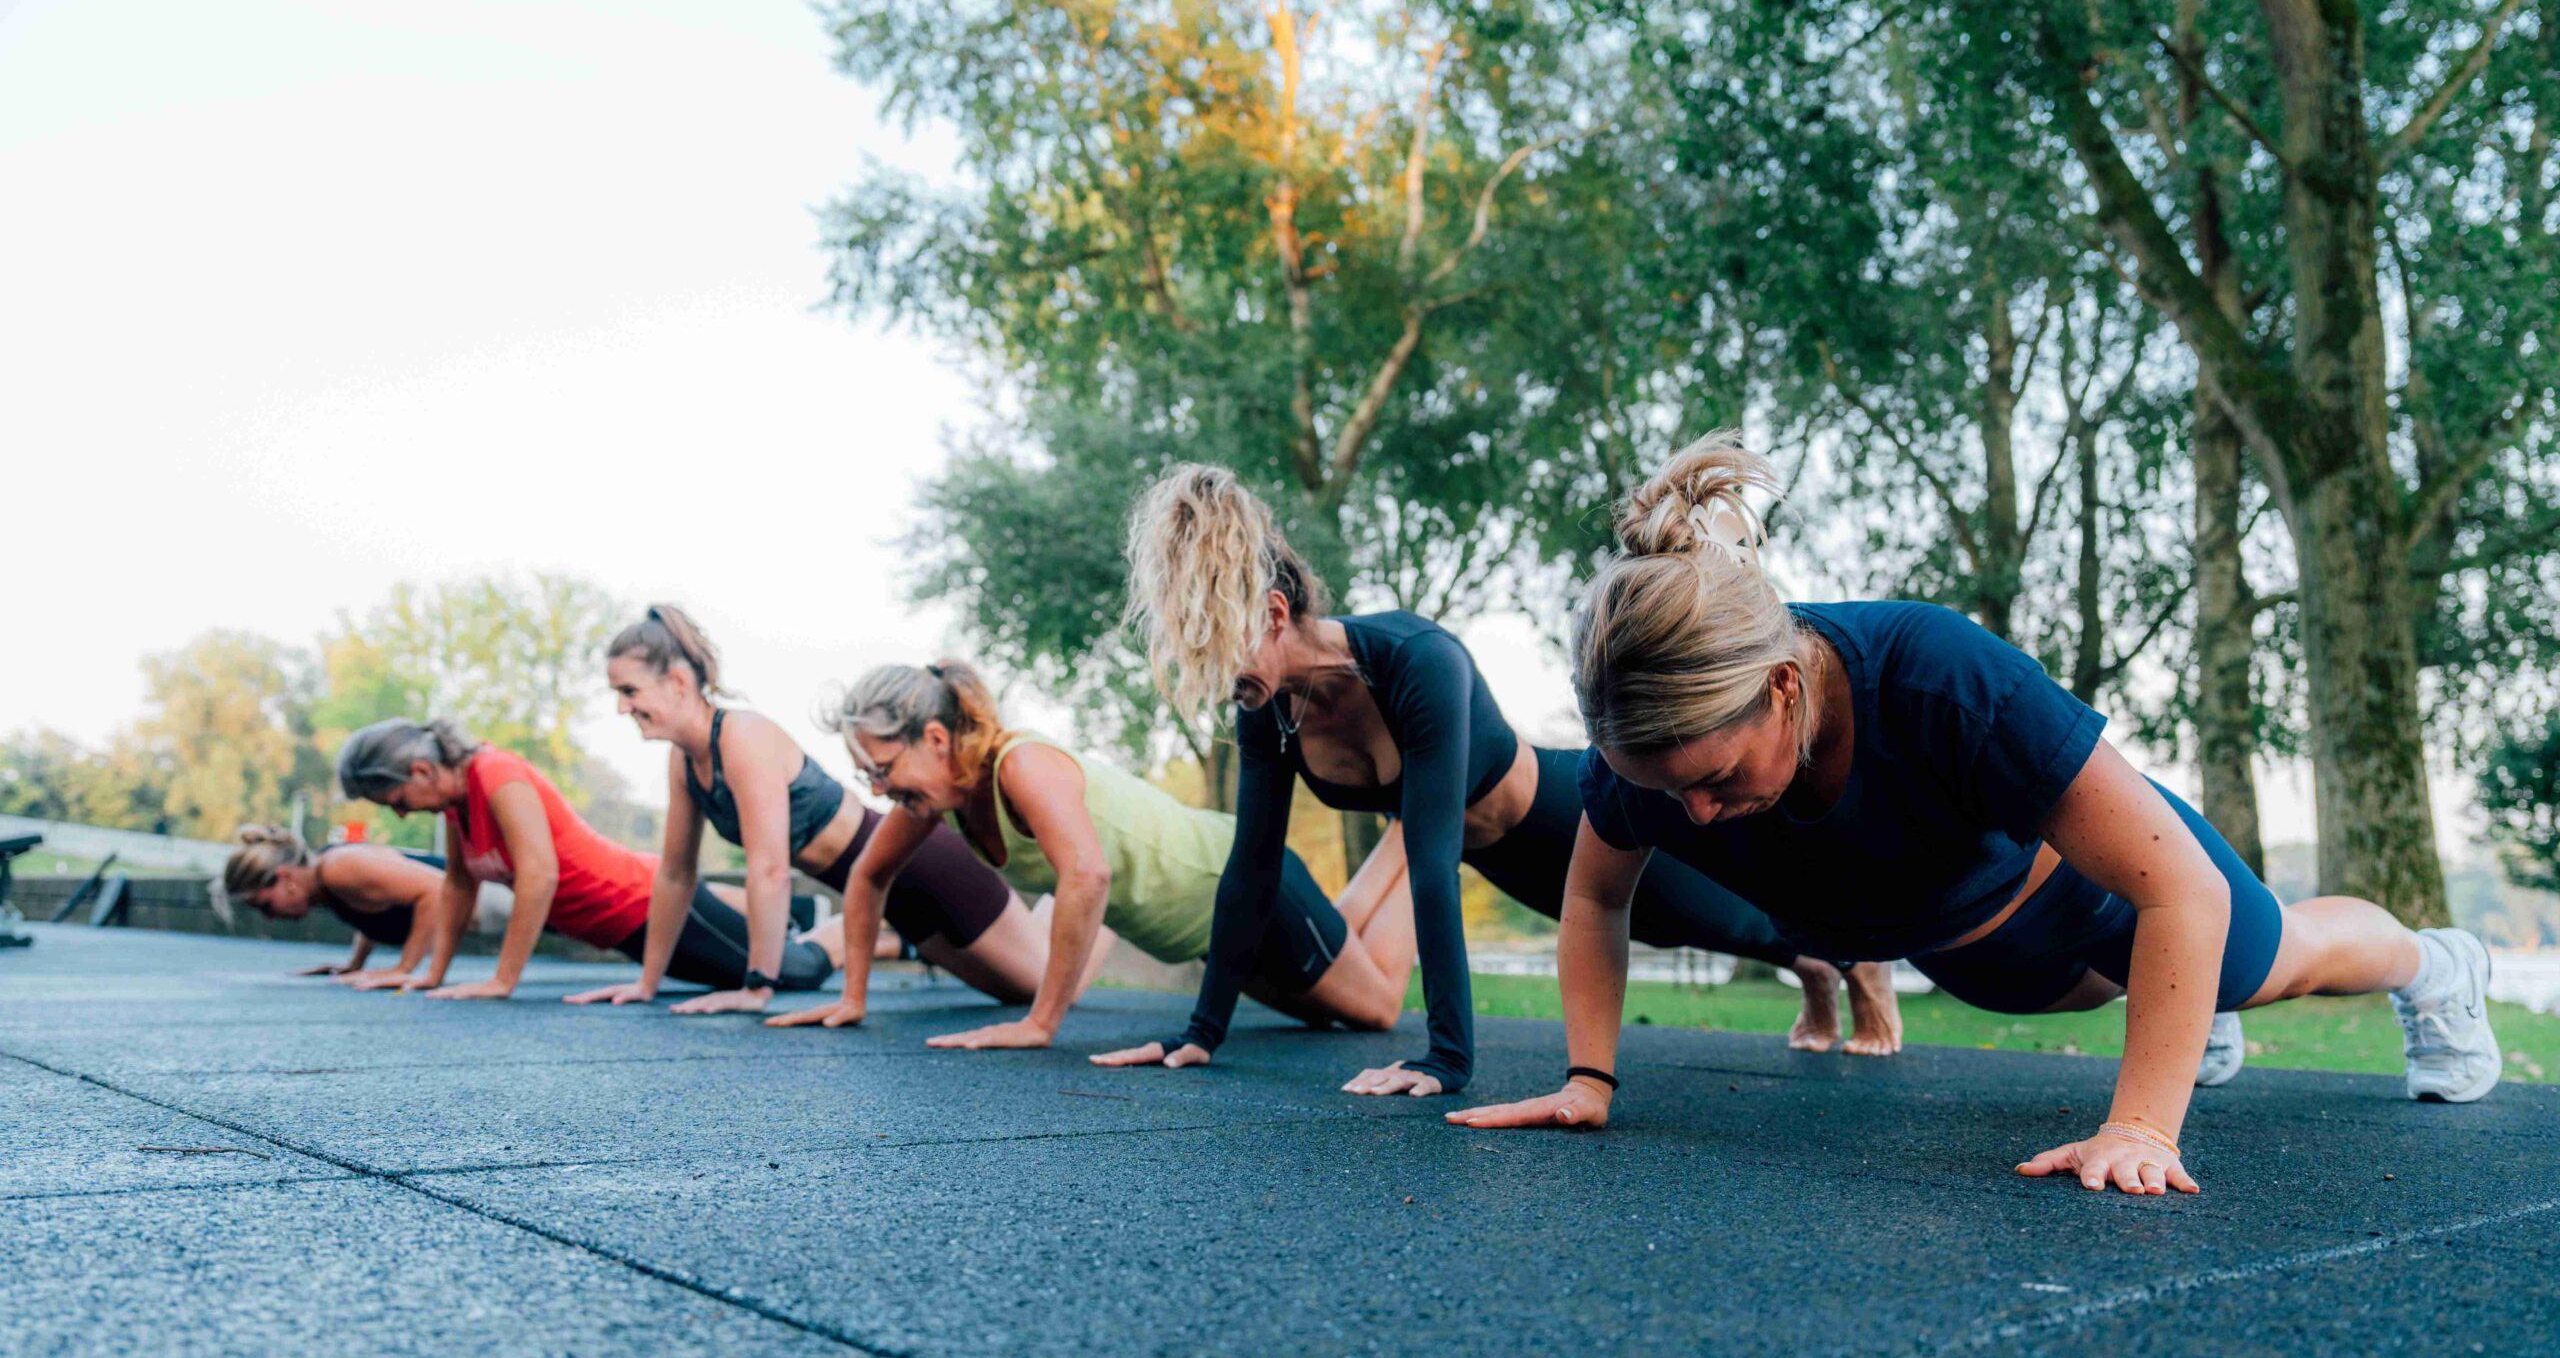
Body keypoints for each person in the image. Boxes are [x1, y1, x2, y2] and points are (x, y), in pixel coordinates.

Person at [1447, 434, 2502, 1195]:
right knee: (2166, 985)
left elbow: (2177, 888)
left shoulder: (1939, 678)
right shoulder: (1649, 758)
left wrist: (2142, 1125)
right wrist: (1588, 1078)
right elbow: (1595, 899)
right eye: (1664, 788)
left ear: (1782, 686)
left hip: (2099, 902)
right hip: (1971, 952)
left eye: (1715, 779)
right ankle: (2180, 1012)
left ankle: (2434, 965)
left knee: (2266, 963)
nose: (1698, 813)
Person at [1097, 463, 1896, 1099]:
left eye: (1223, 653)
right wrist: (1200, 1033)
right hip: (1500, 856)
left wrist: (1446, 1057)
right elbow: (1252, 868)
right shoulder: (1270, 707)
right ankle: (1817, 970)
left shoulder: (1416, 661)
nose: (1224, 686)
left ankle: (1852, 960)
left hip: (1558, 809)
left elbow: (1430, 863)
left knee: (1717, 913)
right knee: (1668, 929)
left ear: (1274, 614)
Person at [770, 659, 1412, 1053]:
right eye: (866, 776)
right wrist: (853, 998)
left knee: (1376, 1010)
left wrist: (1040, 1022)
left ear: (936, 739)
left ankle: (1425, 826)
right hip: (1203, 933)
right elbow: (868, 875)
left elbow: (1087, 874)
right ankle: (1407, 826)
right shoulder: (938, 799)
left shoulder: (1021, 766)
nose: (877, 789)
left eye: (882, 769)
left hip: (1239, 883)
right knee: (1333, 994)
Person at [581, 604, 1057, 1017]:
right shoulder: (684, 762)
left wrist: (757, 987)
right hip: (883, 898)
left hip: (924, 867)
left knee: (1049, 988)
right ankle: (1017, 922)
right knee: (1014, 993)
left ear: (678, 682)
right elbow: (675, 875)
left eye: (629, 691)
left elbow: (770, 869)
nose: (622, 707)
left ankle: (1083, 907)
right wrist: (647, 983)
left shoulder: (742, 736)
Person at [335, 717, 840, 1002]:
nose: (400, 815)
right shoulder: (455, 807)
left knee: (798, 973)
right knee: (762, 970)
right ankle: (865, 932)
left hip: (645, 903)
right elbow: (458, 886)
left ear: (422, 771)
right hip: (621, 930)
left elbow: (539, 875)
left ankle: (858, 924)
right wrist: (431, 973)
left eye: (396, 801)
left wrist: (502, 981)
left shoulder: (495, 772)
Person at [219, 823, 453, 988]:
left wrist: (403, 969)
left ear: (285, 877)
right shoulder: (326, 883)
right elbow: (374, 906)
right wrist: (355, 964)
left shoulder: (337, 867)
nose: (270, 917)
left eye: (266, 906)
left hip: (474, 894)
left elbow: (436, 891)